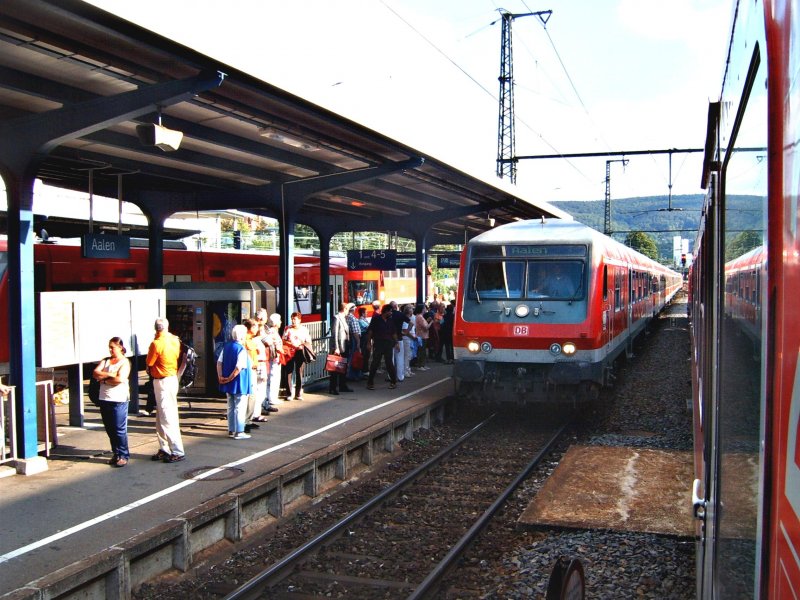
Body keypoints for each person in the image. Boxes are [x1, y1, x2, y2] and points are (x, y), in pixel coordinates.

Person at [146, 317, 186, 463]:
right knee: (162, 416)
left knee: (167, 417)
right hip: (171, 378)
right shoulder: (175, 340)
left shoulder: (156, 344)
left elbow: (149, 363)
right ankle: (164, 448)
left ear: (155, 328)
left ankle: (177, 450)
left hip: (162, 381)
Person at [93, 337, 132, 467]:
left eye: (113, 347)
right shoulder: (106, 361)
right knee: (109, 428)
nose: (110, 350)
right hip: (105, 398)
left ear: (120, 347)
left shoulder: (124, 362)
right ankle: (116, 453)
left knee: (119, 428)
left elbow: (120, 379)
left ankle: (123, 454)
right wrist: (110, 374)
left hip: (119, 399)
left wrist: (103, 378)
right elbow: (95, 373)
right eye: (109, 347)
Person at [217, 324, 252, 440]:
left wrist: (221, 376)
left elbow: (219, 362)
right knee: (240, 406)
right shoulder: (241, 349)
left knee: (230, 406)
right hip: (239, 382)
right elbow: (239, 368)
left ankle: (231, 430)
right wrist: (230, 378)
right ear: (242, 336)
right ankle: (239, 431)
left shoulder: (226, 346)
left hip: (227, 381)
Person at [366, 304, 398, 390]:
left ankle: (393, 381)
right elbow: (370, 331)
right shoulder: (376, 319)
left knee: (389, 363)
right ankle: (370, 382)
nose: (391, 313)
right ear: (386, 311)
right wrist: (369, 343)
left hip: (388, 343)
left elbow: (393, 332)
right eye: (390, 311)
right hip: (379, 343)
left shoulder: (390, 320)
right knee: (375, 363)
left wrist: (396, 342)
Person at [243, 318, 268, 429]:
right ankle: (246, 421)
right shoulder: (246, 340)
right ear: (252, 327)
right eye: (256, 326)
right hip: (249, 370)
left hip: (253, 369)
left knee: (252, 396)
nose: (258, 328)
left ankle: (248, 420)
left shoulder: (251, 339)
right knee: (250, 396)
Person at [283, 312, 312, 400]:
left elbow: (308, 341)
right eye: (292, 318)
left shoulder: (304, 329)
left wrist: (303, 345)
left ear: (299, 320)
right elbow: (283, 340)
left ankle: (298, 393)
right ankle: (289, 393)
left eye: (295, 319)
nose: (293, 321)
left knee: (299, 372)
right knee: (289, 372)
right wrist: (292, 345)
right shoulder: (287, 328)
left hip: (300, 352)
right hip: (289, 352)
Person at [328, 302, 353, 395]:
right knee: (335, 367)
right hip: (339, 347)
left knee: (343, 367)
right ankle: (333, 387)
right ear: (345, 309)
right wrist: (336, 347)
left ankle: (343, 385)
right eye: (347, 309)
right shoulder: (337, 317)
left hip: (345, 345)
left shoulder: (344, 318)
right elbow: (334, 333)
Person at [261, 313, 283, 414]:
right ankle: (272, 398)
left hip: (272, 356)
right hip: (273, 357)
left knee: (272, 377)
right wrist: (282, 351)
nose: (281, 322)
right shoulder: (273, 332)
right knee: (273, 377)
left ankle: (271, 397)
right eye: (279, 320)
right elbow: (276, 345)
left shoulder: (270, 330)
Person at [345, 304, 362, 381]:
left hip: (349, 338)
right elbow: (355, 332)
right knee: (354, 356)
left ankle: (349, 374)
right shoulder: (353, 318)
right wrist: (358, 342)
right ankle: (352, 375)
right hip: (354, 339)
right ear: (353, 309)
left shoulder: (347, 317)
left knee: (350, 356)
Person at [401, 304, 417, 378]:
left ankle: (408, 369)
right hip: (407, 338)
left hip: (410, 338)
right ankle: (405, 371)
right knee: (406, 355)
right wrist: (412, 337)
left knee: (409, 355)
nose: (412, 310)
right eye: (411, 309)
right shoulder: (405, 319)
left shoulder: (411, 318)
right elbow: (405, 331)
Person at [414, 304, 430, 371]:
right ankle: (420, 365)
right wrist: (431, 322)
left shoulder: (420, 316)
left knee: (423, 351)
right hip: (421, 336)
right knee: (421, 351)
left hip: (423, 335)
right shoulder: (420, 317)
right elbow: (425, 327)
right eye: (424, 308)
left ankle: (422, 364)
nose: (425, 309)